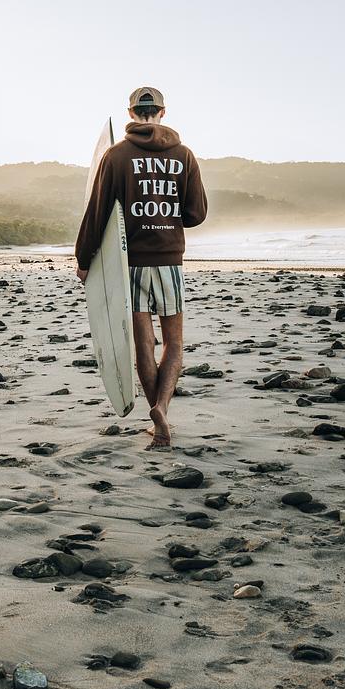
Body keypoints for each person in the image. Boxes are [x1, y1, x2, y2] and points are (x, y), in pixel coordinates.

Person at [75, 86, 208, 448]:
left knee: (144, 346)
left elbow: (97, 212)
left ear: (131, 113)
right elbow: (196, 214)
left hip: (130, 265)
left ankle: (156, 415)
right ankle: (162, 408)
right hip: (169, 262)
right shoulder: (184, 155)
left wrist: (84, 260)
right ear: (162, 112)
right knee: (174, 343)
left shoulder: (116, 156)